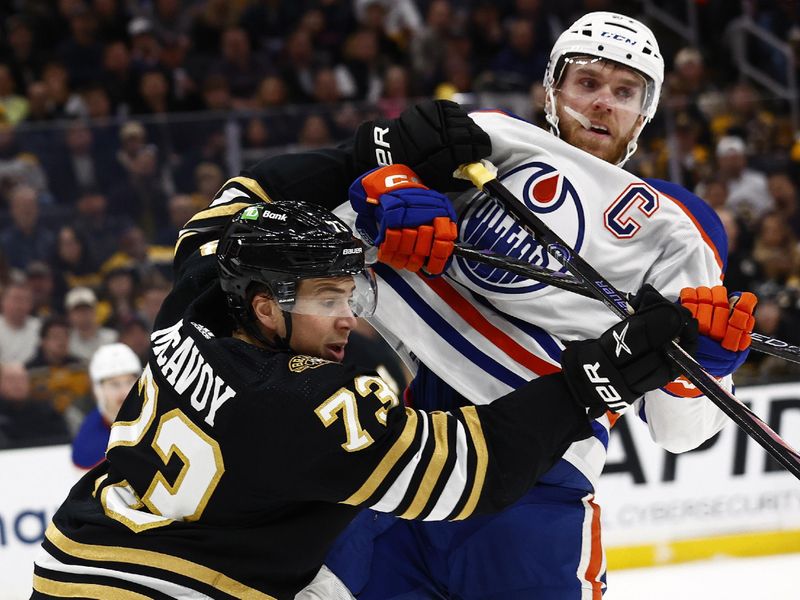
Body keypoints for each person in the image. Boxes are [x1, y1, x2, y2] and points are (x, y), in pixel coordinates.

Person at [197, 12, 758, 599]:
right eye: (586, 83)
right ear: (552, 89)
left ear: (645, 113)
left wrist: (704, 373)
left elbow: (679, 433)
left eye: (625, 92)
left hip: (532, 494)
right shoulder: (480, 142)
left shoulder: (679, 227)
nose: (602, 105)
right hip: (407, 468)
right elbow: (331, 258)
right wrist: (381, 193)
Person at [31, 199, 695, 599]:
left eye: (347, 296)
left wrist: (371, 154)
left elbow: (245, 195)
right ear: (266, 307)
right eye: (327, 299)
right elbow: (472, 470)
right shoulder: (300, 405)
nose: (347, 317)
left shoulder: (194, 305)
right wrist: (592, 382)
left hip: (71, 563)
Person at [71, 342, 142, 469]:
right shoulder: (88, 442)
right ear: (98, 390)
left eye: (130, 382)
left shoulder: (163, 419)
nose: (124, 392)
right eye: (115, 384)